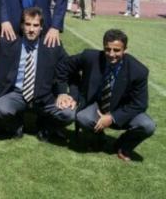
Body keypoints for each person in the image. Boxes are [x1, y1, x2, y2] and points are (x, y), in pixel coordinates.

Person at [56, 29, 155, 161]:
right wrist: (65, 92)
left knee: (148, 125)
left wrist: (113, 117)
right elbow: (63, 66)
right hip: (95, 105)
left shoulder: (139, 71)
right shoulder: (90, 56)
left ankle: (123, 145)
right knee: (83, 117)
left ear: (125, 50)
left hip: (121, 109)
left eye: (117, 50)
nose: (111, 54)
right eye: (107, 49)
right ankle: (98, 138)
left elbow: (140, 104)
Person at [0, 7, 75, 140]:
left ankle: (46, 127)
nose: (31, 29)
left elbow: (70, 67)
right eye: (28, 24)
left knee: (69, 113)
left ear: (42, 27)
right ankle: (15, 125)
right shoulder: (8, 43)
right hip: (17, 93)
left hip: (45, 96)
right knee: (0, 108)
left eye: (36, 25)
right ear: (21, 25)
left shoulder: (53, 46)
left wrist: (63, 93)